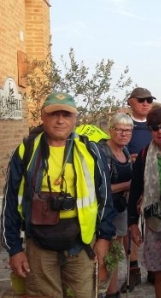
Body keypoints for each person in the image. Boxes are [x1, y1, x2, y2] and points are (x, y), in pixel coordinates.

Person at [0, 92, 115, 298]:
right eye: (54, 114)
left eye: (66, 115)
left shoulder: (90, 150)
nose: (60, 120)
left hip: (80, 244)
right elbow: (10, 202)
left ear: (74, 119)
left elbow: (105, 197)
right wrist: (14, 249)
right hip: (39, 246)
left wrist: (104, 237)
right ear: (43, 117)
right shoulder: (26, 151)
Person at [126, 105, 161, 298]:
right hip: (155, 220)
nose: (160, 131)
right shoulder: (145, 154)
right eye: (154, 128)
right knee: (160, 270)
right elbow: (136, 189)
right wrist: (132, 223)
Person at [122, 86, 156, 291]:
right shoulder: (125, 124)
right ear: (131, 101)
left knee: (154, 224)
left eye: (149, 100)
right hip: (129, 181)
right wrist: (129, 158)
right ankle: (133, 268)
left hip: (152, 182)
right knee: (131, 226)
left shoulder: (154, 125)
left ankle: (153, 266)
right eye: (141, 100)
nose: (146, 104)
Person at [98, 113, 134, 298]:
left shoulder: (125, 151)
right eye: (119, 129)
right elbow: (102, 188)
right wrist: (129, 185)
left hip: (120, 209)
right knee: (104, 252)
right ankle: (102, 290)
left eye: (128, 130)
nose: (124, 134)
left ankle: (112, 291)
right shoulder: (103, 153)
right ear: (111, 130)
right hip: (104, 211)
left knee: (115, 251)